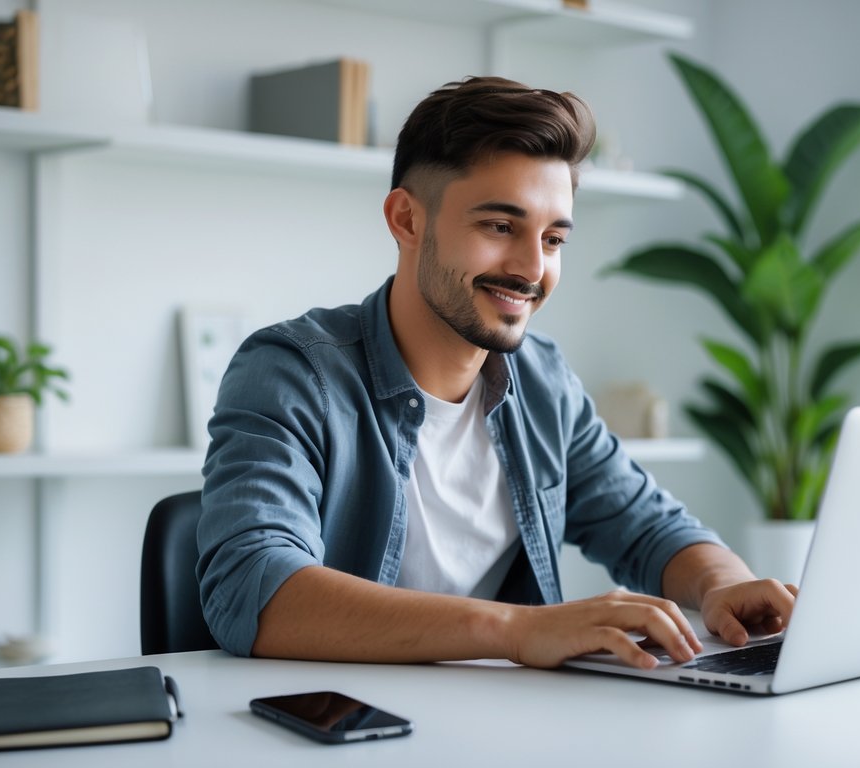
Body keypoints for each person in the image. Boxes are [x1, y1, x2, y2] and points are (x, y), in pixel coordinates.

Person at [197, 76, 798, 670]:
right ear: (407, 220)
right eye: (500, 227)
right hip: (344, 718)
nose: (532, 268)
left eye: (554, 239)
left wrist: (723, 583)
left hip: (504, 718)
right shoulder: (292, 373)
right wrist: (516, 629)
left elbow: (646, 525)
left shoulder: (543, 380)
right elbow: (252, 587)